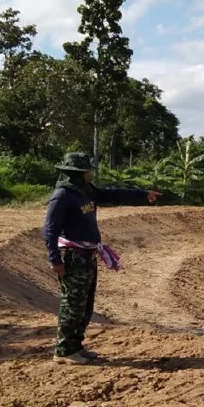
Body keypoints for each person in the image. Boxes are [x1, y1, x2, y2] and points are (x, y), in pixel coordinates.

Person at [42, 152, 161, 365]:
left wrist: (143, 194)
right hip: (73, 257)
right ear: (76, 174)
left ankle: (76, 346)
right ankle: (64, 350)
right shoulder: (62, 196)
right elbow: (50, 231)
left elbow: (113, 194)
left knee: (85, 305)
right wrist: (55, 260)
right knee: (72, 304)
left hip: (88, 256)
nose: (89, 174)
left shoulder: (86, 191)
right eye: (86, 171)